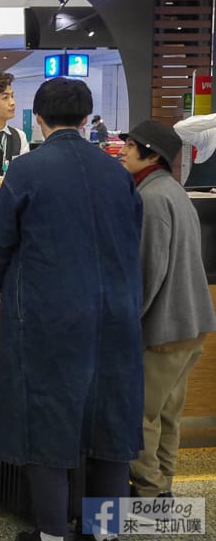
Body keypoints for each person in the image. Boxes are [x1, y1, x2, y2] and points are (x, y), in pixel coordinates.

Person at [0, 78, 144, 541]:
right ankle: (105, 531)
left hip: (48, 315)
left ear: (37, 119)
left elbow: (0, 246)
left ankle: (53, 533)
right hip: (116, 314)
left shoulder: (26, 170)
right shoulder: (118, 172)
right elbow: (131, 237)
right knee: (110, 423)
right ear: (85, 118)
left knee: (47, 421)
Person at [116, 120, 216, 499]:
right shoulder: (173, 190)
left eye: (130, 145)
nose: (123, 150)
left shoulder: (151, 198)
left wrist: (127, 324)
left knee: (139, 416)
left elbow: (147, 271)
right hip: (191, 324)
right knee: (168, 415)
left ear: (152, 154)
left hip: (163, 330)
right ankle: (164, 488)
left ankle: (149, 492)